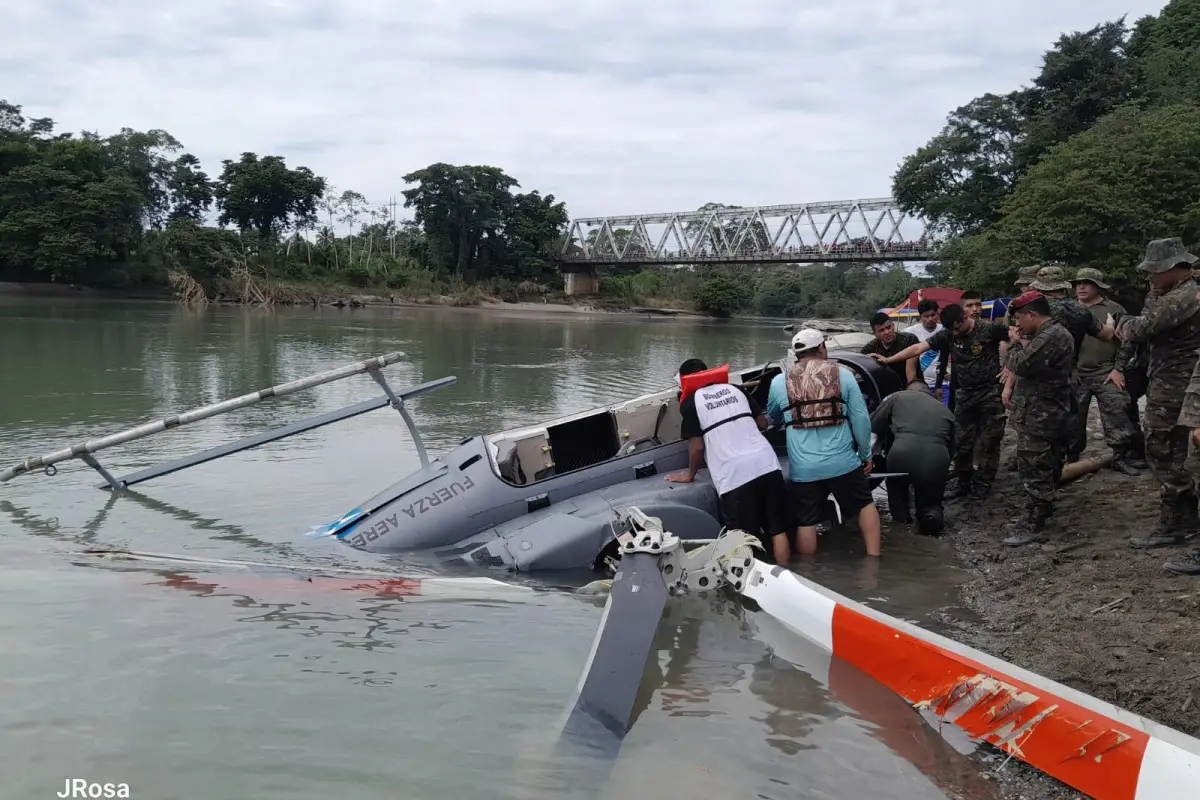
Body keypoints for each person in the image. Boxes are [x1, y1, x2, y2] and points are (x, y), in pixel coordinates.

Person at [868, 303, 1008, 501]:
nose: (956, 333)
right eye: (952, 330)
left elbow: (1018, 337)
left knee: (989, 441)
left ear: (964, 318)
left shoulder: (989, 328)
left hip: (990, 393)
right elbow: (918, 348)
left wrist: (1011, 368)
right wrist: (889, 360)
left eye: (958, 328)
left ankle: (983, 486)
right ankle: (963, 482)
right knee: (961, 441)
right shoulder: (948, 334)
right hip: (964, 394)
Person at [1115, 238, 1200, 552]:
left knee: (1161, 447)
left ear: (1174, 269)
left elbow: (1138, 329)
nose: (1148, 278)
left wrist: (1122, 323)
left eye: (1154, 272)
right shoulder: (1176, 293)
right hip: (1171, 381)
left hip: (1175, 385)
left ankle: (1178, 522)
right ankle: (1183, 518)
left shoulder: (1184, 296)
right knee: (1174, 450)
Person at [766, 329, 882, 557]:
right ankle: (874, 560)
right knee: (864, 506)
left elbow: (773, 417)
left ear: (796, 354)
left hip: (804, 468)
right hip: (843, 463)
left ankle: (809, 574)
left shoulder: (779, 381)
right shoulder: (843, 375)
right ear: (822, 348)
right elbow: (861, 419)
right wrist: (865, 454)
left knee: (806, 521)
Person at [666, 358, 793, 565]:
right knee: (777, 529)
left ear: (685, 381)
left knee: (742, 540)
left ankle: (747, 592)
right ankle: (786, 574)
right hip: (767, 464)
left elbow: (697, 447)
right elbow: (762, 423)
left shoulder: (691, 404)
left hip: (735, 476)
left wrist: (689, 475)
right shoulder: (736, 389)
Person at [1003, 291, 1076, 546]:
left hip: (1042, 412)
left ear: (1031, 315)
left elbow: (1020, 364)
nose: (1018, 325)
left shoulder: (1050, 336)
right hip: (1044, 409)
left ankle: (1035, 522)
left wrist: (1012, 343)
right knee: (1046, 461)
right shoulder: (1050, 334)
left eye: (1020, 319)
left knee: (1034, 464)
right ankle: (1041, 510)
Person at [1069, 268, 1142, 474]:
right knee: (1071, 419)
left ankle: (1120, 457)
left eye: (1087, 283)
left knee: (1117, 413)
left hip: (1106, 371)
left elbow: (1128, 341)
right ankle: (1071, 459)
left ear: (1098, 286)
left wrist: (1119, 368)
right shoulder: (1069, 309)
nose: (1081, 287)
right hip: (1077, 373)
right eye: (1078, 283)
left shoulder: (1114, 308)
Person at [870, 381, 955, 537]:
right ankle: (930, 518)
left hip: (901, 455)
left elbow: (873, 426)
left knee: (897, 487)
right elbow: (952, 448)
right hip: (936, 459)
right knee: (930, 503)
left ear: (908, 390)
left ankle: (902, 526)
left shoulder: (897, 397)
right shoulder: (946, 411)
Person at [860, 312, 919, 386]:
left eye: (888, 327)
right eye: (881, 330)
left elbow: (911, 375)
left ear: (893, 326)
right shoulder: (871, 346)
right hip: (888, 386)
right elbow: (856, 363)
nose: (887, 332)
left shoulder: (909, 339)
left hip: (912, 384)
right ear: (875, 334)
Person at [902, 299, 944, 394]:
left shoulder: (945, 331)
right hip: (920, 386)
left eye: (933, 315)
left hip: (942, 385)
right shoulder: (908, 333)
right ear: (920, 317)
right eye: (926, 316)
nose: (930, 319)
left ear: (937, 314)